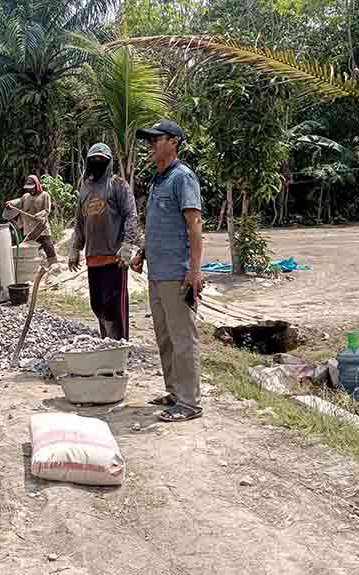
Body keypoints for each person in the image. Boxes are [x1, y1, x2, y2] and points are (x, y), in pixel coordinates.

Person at [131, 119, 204, 423]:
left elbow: (194, 226)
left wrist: (195, 271)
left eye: (156, 139)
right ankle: (174, 392)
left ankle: (189, 403)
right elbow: (159, 227)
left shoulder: (182, 178)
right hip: (157, 273)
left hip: (177, 273)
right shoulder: (158, 180)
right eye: (149, 141)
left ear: (173, 141)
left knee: (183, 338)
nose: (150, 145)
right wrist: (143, 253)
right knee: (165, 337)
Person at [68, 143, 140, 341]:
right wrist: (75, 248)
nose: (97, 163)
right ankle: (106, 344)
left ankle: (119, 347)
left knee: (114, 307)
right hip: (93, 259)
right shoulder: (84, 188)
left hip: (114, 259)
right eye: (94, 159)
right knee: (98, 305)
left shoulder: (117, 185)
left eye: (102, 160)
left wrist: (127, 246)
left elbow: (131, 216)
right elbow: (80, 221)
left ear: (109, 163)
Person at [5, 174, 57, 267]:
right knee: (29, 252)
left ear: (37, 185)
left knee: (48, 247)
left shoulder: (45, 195)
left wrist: (39, 215)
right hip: (29, 230)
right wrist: (10, 204)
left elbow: (47, 210)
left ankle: (54, 266)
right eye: (28, 188)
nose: (30, 190)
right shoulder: (25, 197)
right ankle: (34, 269)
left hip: (41, 228)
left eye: (32, 188)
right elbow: (17, 203)